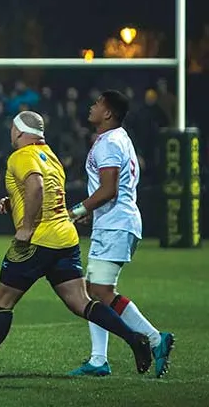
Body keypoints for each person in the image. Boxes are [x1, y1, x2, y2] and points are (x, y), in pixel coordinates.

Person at [0, 111, 152, 380]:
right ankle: (134, 338)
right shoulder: (50, 156)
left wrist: (26, 227)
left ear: (19, 132)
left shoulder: (20, 156)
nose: (11, 133)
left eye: (12, 129)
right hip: (65, 239)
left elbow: (36, 186)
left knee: (3, 302)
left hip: (38, 241)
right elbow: (46, 190)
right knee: (82, 302)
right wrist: (13, 201)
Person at [67, 90, 174, 378]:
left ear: (109, 113)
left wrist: (77, 210)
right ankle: (99, 359)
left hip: (116, 224)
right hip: (115, 222)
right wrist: (92, 209)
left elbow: (109, 189)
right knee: (95, 291)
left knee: (99, 292)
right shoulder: (118, 139)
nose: (91, 107)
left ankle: (152, 339)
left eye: (97, 104)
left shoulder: (110, 143)